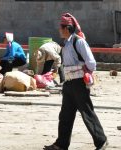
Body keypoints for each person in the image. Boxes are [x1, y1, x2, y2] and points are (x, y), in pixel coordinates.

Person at [43, 13, 108, 150]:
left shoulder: (78, 42)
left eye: (61, 27)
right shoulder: (65, 44)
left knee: (87, 113)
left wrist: (82, 71)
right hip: (68, 84)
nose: (59, 30)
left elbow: (92, 63)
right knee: (65, 115)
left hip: (79, 84)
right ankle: (61, 144)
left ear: (67, 28)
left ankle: (101, 141)